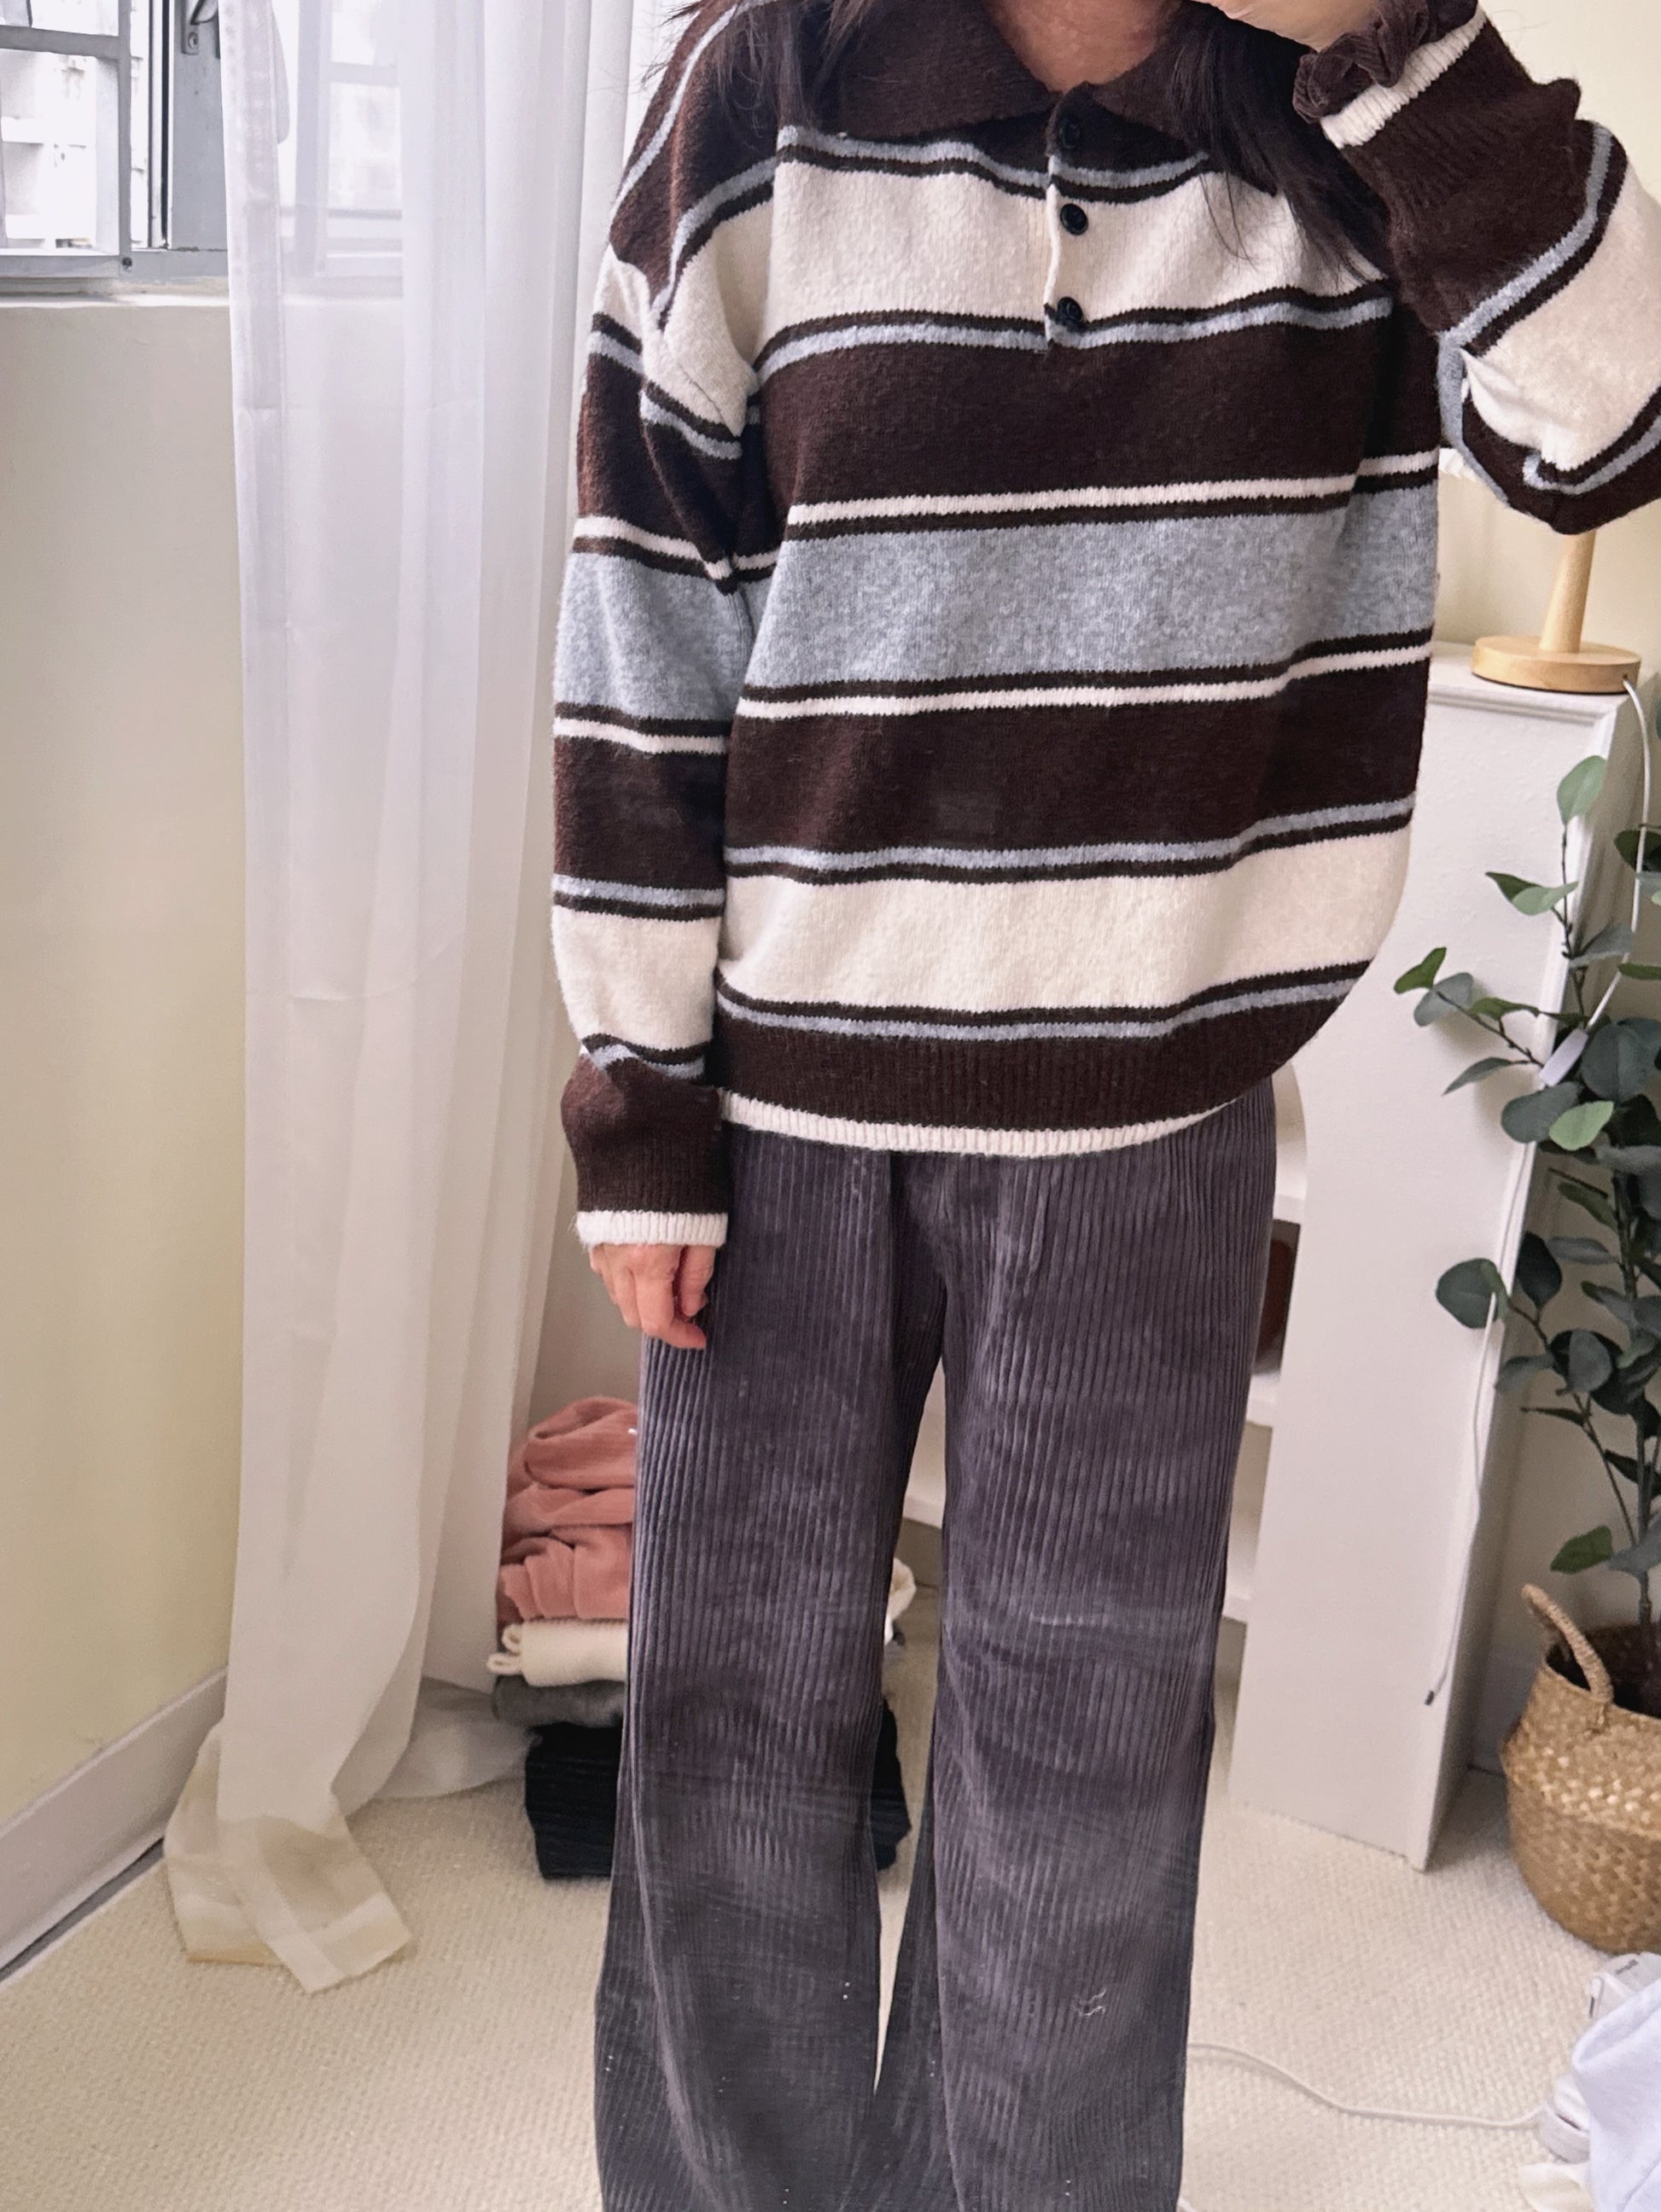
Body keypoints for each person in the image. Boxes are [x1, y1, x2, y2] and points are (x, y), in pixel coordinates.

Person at [550, 0, 1661, 2203]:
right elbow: (642, 615)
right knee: (733, 1732)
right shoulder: (761, 83)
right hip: (781, 1108)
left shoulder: (1344, 109)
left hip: (1152, 1114)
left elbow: (1610, 423)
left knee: (1083, 1770)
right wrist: (639, 1102)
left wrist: (1380, 41)